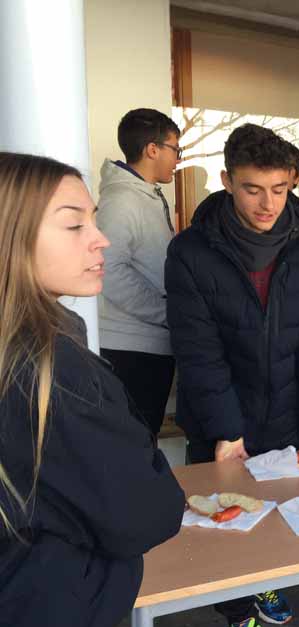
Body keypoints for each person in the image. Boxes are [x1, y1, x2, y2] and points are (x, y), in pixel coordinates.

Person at [0, 152, 185, 627]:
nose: (99, 238)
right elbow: (146, 512)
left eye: (94, 219)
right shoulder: (49, 372)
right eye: (74, 223)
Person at [165, 124, 299, 627]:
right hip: (218, 415)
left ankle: (265, 582)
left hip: (284, 410)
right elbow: (198, 352)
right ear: (227, 181)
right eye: (252, 189)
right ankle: (239, 618)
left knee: (274, 511)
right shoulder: (191, 252)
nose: (268, 203)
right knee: (225, 524)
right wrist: (226, 430)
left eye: (279, 189)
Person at [97, 108, 182, 437]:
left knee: (143, 442)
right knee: (133, 443)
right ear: (153, 149)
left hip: (150, 345)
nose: (177, 159)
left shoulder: (146, 194)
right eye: (175, 149)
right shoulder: (122, 199)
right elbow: (108, 270)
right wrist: (166, 312)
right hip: (131, 350)